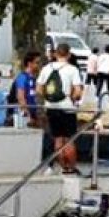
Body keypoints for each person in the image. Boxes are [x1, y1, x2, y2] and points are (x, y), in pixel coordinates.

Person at [38, 44, 85, 174]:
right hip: (67, 108)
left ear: (55, 54)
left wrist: (48, 98)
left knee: (58, 138)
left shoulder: (46, 68)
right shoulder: (72, 70)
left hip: (51, 107)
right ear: (69, 54)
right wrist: (73, 99)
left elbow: (39, 89)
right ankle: (71, 167)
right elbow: (78, 92)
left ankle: (63, 166)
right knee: (69, 139)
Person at [9, 51, 43, 136]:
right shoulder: (22, 77)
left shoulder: (35, 78)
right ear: (29, 63)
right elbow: (20, 97)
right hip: (24, 116)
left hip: (33, 113)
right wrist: (27, 115)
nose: (39, 65)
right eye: (37, 63)